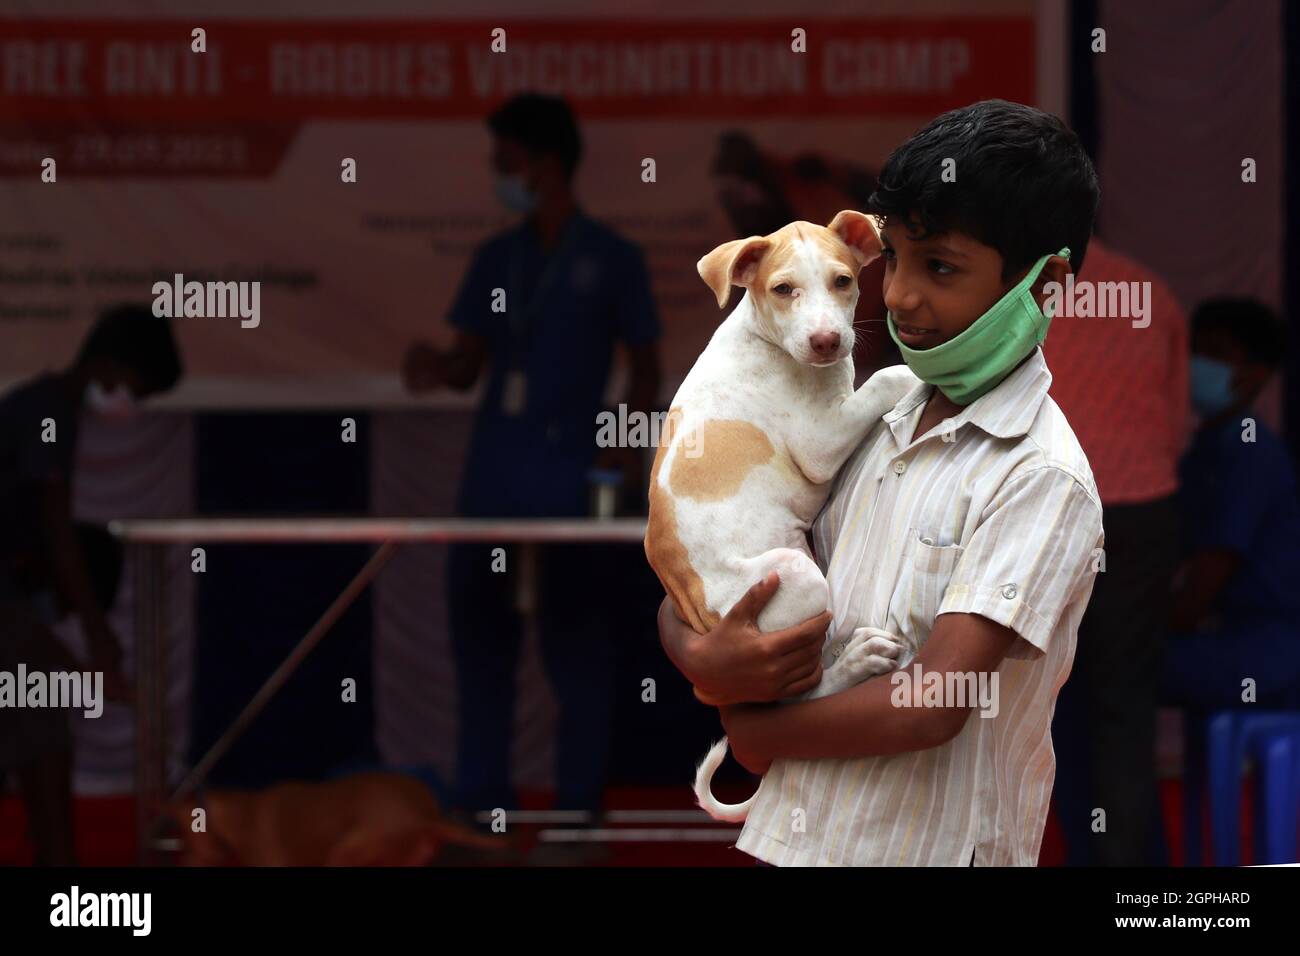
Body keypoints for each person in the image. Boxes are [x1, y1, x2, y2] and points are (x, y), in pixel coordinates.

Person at [658, 100, 1105, 866]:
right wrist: (696, 652)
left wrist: (760, 731)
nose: (896, 296)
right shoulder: (869, 422)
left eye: (939, 267)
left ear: (1047, 282)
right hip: (788, 841)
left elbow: (934, 704)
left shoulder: (1039, 474)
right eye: (891, 258)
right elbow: (709, 577)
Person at [402, 94, 662, 857]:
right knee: (481, 644)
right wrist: (432, 366)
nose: (497, 175)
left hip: (570, 478)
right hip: (493, 476)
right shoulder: (497, 258)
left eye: (505, 162)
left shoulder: (612, 258)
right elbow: (466, 366)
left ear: (546, 164)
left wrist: (622, 448)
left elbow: (644, 365)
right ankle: (484, 816)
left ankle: (577, 818)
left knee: (577, 649)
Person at [0, 303, 182, 864]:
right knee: (42, 718)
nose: (132, 402)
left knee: (40, 718)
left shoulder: (49, 408)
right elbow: (60, 538)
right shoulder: (48, 413)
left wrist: (86, 669)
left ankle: (59, 866)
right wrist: (99, 646)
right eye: (135, 387)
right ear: (107, 364)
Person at [1043, 238, 1189, 866]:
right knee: (1123, 709)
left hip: (1042, 514)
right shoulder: (1149, 290)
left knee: (1013, 704)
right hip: (1141, 512)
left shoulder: (1008, 290)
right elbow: (1177, 424)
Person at [1161, 299, 1300, 709]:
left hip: (1263, 650)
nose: (1197, 364)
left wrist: (1134, 631)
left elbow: (1205, 580)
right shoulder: (1206, 450)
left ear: (1255, 374)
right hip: (1226, 638)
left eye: (1216, 354)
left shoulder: (1250, 451)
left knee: (1108, 668)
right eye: (1195, 349)